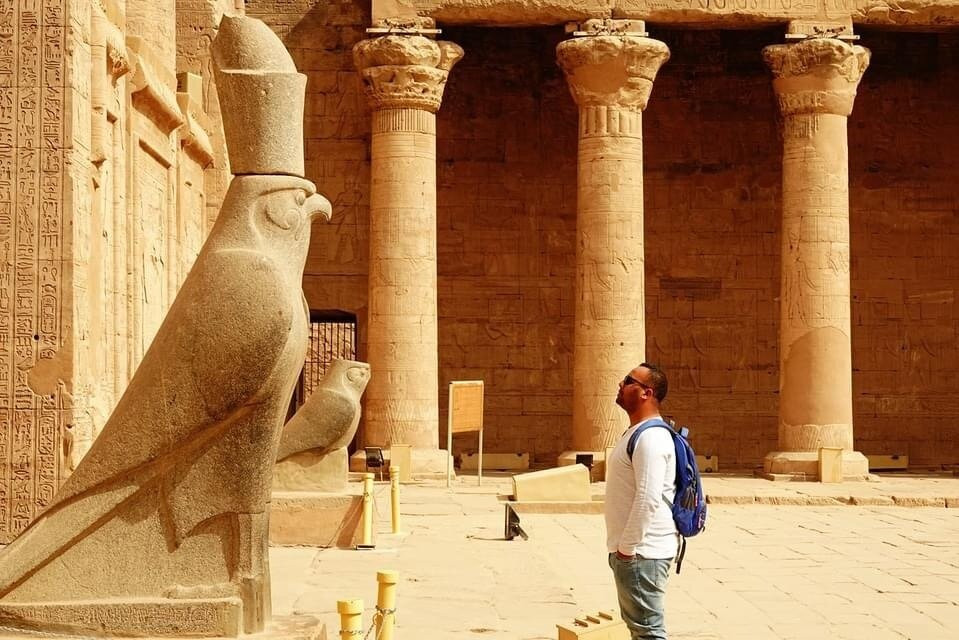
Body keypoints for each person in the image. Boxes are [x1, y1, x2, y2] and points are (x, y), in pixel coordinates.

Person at [605, 362, 678, 640]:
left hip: (642, 553)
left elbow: (648, 498)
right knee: (642, 630)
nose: (620, 385)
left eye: (628, 381)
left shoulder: (651, 438)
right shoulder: (637, 433)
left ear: (646, 393)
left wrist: (627, 548)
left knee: (648, 632)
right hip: (637, 552)